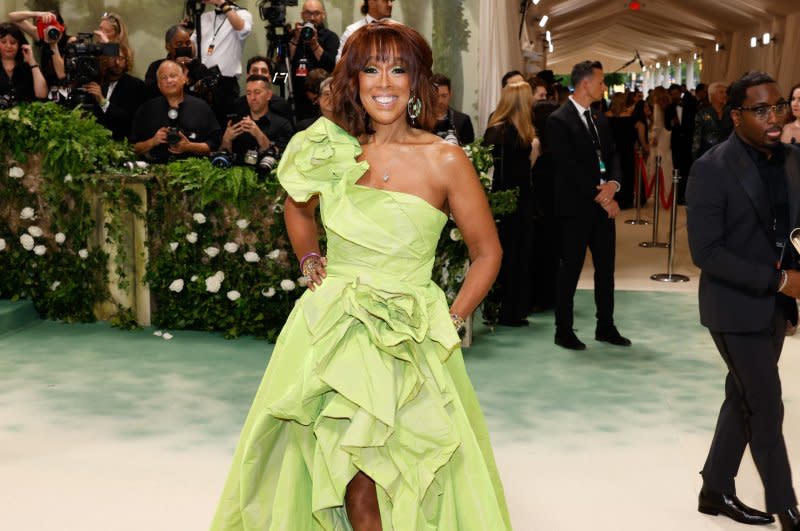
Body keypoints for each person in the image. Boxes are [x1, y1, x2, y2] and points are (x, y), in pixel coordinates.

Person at [210, 21, 511, 530]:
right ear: (355, 81)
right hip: (333, 329)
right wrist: (310, 260)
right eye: (371, 69)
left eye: (399, 70)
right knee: (350, 473)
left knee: (406, 470)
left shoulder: (446, 159)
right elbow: (297, 208)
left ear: (417, 83)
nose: (385, 82)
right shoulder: (331, 149)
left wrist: (453, 320)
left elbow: (488, 253)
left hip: (409, 338)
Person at [686, 70, 800, 530]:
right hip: (733, 306)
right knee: (766, 402)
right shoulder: (710, 168)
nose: (773, 117)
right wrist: (778, 281)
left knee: (744, 395)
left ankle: (714, 490)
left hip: (776, 306)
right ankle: (786, 507)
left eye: (778, 106)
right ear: (736, 115)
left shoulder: (793, 160)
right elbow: (706, 253)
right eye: (760, 109)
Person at [547, 60, 630, 350]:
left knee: (606, 270)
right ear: (585, 84)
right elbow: (567, 169)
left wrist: (613, 186)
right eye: (600, 82)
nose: (603, 87)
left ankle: (605, 326)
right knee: (569, 271)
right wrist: (603, 198)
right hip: (574, 210)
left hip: (600, 208)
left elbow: (613, 156)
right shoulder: (558, 120)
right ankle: (563, 330)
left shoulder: (600, 118)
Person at [484, 82, 537, 326]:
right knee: (506, 254)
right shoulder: (499, 131)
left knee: (522, 253)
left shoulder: (523, 131)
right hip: (505, 202)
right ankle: (501, 309)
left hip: (523, 199)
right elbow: (494, 172)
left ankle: (515, 308)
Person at [131, 60, 220, 163]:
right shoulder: (146, 110)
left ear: (184, 79)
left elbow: (214, 145)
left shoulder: (201, 108)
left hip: (192, 171)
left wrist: (189, 146)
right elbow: (133, 148)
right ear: (159, 84)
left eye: (173, 76)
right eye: (164, 78)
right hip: (154, 170)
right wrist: (152, 141)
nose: (169, 80)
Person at [190, 0, 253, 123]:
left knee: (224, 125)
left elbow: (242, 30)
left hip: (225, 84)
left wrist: (222, 4)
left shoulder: (242, 14)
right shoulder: (204, 17)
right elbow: (193, 50)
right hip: (201, 81)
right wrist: (184, 34)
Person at [219, 75, 293, 161]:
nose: (252, 98)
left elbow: (281, 158)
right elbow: (222, 158)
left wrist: (259, 135)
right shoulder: (236, 124)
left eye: (257, 92)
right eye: (249, 93)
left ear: (268, 95)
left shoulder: (283, 125)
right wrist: (226, 140)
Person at [83, 42, 146, 142]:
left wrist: (102, 101)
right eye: (113, 58)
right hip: (94, 142)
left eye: (121, 58)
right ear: (105, 60)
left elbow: (129, 119)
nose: (117, 62)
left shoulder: (136, 85)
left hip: (121, 143)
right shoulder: (97, 82)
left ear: (126, 61)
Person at [288, 0, 338, 121]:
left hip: (323, 99)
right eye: (307, 13)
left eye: (316, 14)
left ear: (323, 15)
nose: (311, 18)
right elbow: (283, 62)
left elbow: (332, 65)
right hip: (297, 98)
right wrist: (294, 39)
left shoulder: (331, 37)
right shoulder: (293, 36)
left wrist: (314, 44)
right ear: (301, 15)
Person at [8, 9, 67, 90]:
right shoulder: (41, 34)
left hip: (66, 88)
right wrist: (38, 13)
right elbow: (12, 17)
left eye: (54, 25)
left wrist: (53, 45)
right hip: (47, 87)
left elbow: (61, 74)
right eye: (47, 26)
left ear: (62, 27)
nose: (50, 30)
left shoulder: (70, 42)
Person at [231, 56, 293, 124]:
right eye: (255, 71)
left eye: (264, 71)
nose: (259, 74)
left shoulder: (282, 106)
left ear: (269, 78)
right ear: (248, 76)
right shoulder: (238, 106)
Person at [0, 22, 47, 107]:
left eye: (13, 42)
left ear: (19, 45)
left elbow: (42, 94)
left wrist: (32, 61)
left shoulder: (27, 68)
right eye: (3, 42)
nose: (8, 46)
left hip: (26, 116)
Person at [665, 83, 696, 203]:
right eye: (672, 94)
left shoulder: (689, 104)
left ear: (680, 93)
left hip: (688, 141)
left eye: (676, 93)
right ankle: (677, 195)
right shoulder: (669, 108)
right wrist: (673, 123)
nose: (674, 96)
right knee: (676, 169)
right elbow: (667, 126)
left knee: (687, 168)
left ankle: (686, 194)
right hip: (676, 143)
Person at [692, 81, 733, 161]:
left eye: (726, 93)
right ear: (712, 95)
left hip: (727, 156)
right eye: (721, 92)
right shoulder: (703, 113)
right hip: (708, 156)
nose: (725, 95)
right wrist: (695, 158)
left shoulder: (731, 113)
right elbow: (697, 138)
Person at [431, 73, 475, 145]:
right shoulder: (421, 121)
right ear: (429, 95)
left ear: (450, 94)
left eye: (444, 96)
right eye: (436, 96)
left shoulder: (462, 120)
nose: (440, 101)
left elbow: (469, 152)